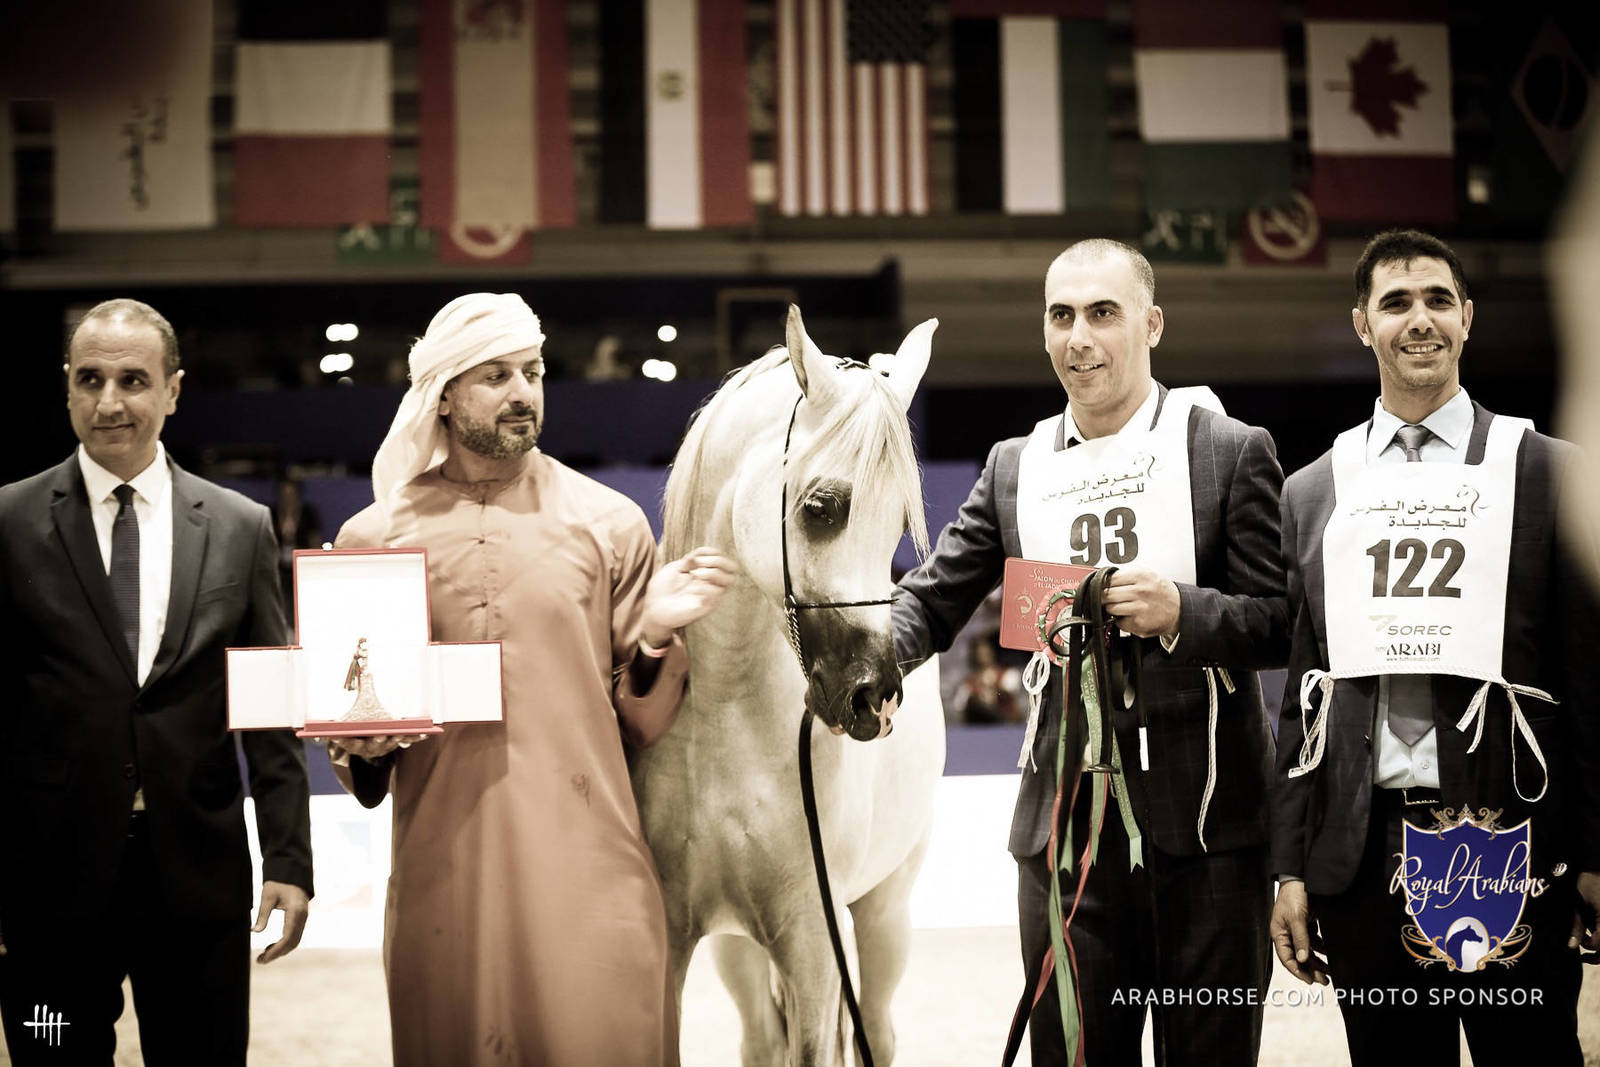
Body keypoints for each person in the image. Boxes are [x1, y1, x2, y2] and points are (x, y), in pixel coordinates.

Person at [893, 240, 1289, 1065]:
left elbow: (1282, 621)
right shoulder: (1014, 466)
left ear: (1151, 323)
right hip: (1064, 840)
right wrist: (849, 652)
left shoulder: (1227, 448)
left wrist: (1185, 609)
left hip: (1210, 841)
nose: (1081, 336)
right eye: (1061, 315)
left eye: (1103, 313)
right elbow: (930, 602)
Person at [328, 293, 735, 1066]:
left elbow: (642, 720)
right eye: (495, 375)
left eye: (533, 371)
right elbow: (359, 739)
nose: (522, 391)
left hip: (593, 868)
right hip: (445, 880)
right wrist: (367, 740)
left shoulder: (608, 522)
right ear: (442, 395)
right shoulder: (374, 538)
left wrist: (654, 634)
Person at [1269, 229, 1600, 1064]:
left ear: (1468, 318)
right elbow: (1303, 695)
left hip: (1512, 840)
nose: (1420, 320)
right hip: (1359, 846)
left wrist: (1598, 850)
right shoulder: (1312, 490)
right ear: (1360, 324)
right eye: (1395, 303)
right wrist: (1290, 865)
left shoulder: (1547, 470)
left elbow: (1590, 679)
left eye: (1438, 300)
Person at [0, 299, 313, 1064]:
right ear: (67, 389)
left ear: (173, 389)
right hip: (48, 883)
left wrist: (288, 859)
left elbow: (269, 705)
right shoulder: (7, 521)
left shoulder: (241, 526)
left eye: (134, 379)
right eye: (91, 379)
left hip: (197, 876)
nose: (111, 402)